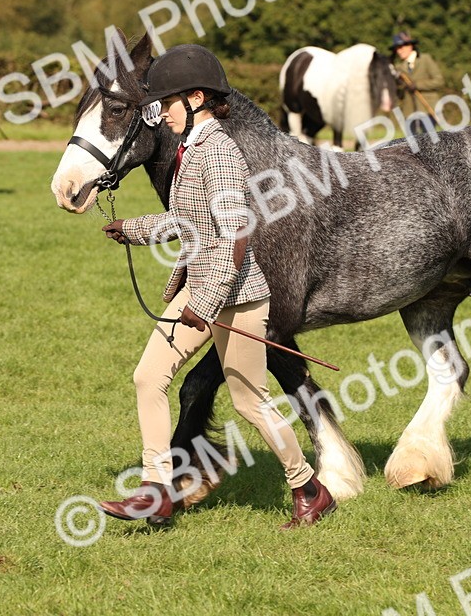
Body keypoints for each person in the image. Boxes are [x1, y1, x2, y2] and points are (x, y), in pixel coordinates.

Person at [97, 45, 336, 530]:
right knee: (149, 377)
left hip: (237, 296)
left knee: (252, 404)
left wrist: (203, 306)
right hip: (201, 288)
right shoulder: (192, 148)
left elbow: (236, 236)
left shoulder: (221, 152)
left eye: (167, 103)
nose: (160, 114)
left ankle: (309, 487)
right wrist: (136, 230)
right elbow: (190, 219)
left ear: (197, 98)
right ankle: (156, 491)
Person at [391, 31, 444, 123]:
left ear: (410, 45)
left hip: (428, 109)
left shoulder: (425, 59)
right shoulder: (398, 68)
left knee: (429, 137)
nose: (398, 51)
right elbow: (399, 94)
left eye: (401, 47)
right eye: (396, 48)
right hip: (409, 112)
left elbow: (439, 81)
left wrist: (417, 85)